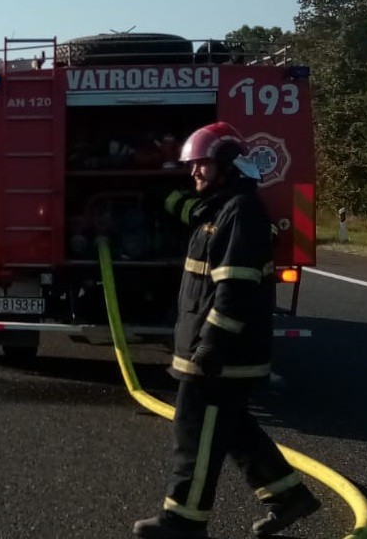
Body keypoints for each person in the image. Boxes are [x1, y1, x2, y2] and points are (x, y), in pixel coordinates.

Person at [134, 122, 320, 539]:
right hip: (219, 352)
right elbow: (191, 212)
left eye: (201, 164)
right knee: (232, 427)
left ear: (226, 166)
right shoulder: (220, 208)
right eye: (192, 165)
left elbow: (235, 289)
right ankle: (289, 497)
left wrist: (211, 346)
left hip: (224, 356)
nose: (194, 172)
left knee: (195, 435)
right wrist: (157, 192)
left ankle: (183, 522)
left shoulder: (241, 212)